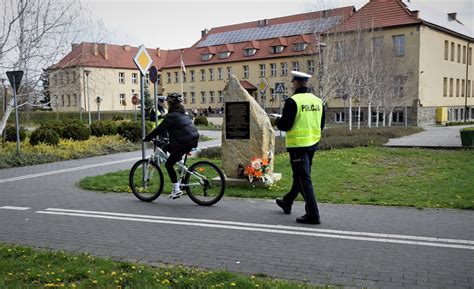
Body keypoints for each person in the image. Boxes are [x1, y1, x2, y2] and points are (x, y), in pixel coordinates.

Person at [272, 71, 325, 225]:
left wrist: (276, 121)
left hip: (298, 147)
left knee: (304, 179)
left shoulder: (292, 101)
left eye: (292, 82)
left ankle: (313, 214)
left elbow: (285, 125)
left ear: (295, 83)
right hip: (312, 144)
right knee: (300, 176)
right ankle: (287, 201)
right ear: (306, 83)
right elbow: (321, 125)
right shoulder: (318, 101)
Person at [143, 92, 199, 199]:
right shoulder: (183, 113)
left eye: (168, 103)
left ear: (171, 104)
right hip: (192, 139)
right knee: (166, 148)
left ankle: (176, 189)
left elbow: (159, 129)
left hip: (184, 142)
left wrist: (147, 138)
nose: (166, 104)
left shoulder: (171, 116)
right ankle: (181, 165)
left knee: (168, 164)